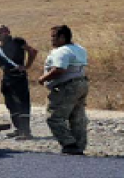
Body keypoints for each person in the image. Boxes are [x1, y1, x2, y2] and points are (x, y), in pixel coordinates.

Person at [38, 25, 89, 155]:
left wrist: (43, 78)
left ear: (62, 37)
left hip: (67, 86)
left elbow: (59, 69)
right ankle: (79, 145)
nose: (52, 40)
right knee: (77, 117)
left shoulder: (62, 51)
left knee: (54, 117)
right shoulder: (79, 49)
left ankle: (69, 144)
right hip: (81, 83)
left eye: (54, 36)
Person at [0, 25, 38, 139]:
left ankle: (26, 132)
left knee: (22, 103)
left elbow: (32, 51)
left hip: (18, 77)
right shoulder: (1, 47)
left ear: (7, 32)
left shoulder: (17, 41)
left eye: (0, 32)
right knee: (10, 103)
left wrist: (27, 66)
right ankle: (18, 129)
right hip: (7, 77)